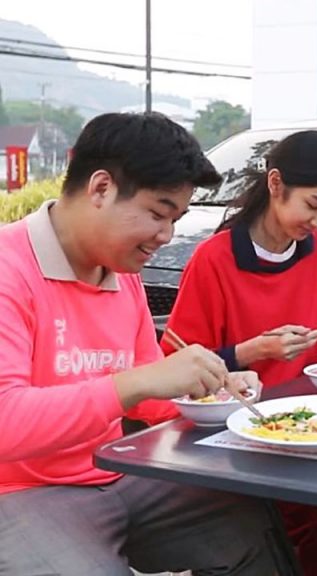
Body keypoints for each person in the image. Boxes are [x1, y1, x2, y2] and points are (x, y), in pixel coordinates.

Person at [0, 112, 276, 575]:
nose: (166, 236)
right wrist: (137, 383)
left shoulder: (120, 273)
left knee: (250, 524)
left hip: (116, 471)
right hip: (20, 492)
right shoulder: (10, 270)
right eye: (157, 213)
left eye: (175, 219)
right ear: (101, 188)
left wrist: (212, 390)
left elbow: (149, 396)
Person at [163, 129, 317, 576]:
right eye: (313, 206)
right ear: (275, 184)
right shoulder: (214, 259)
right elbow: (177, 363)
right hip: (250, 437)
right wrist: (253, 350)